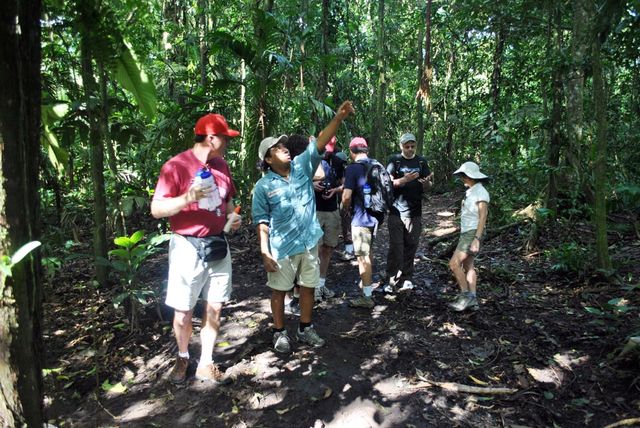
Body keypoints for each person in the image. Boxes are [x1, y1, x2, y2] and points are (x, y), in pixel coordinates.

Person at [252, 101, 354, 353]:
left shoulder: (301, 167)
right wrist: (265, 253)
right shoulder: (263, 187)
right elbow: (261, 222)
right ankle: (279, 332)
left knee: (308, 287)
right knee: (279, 291)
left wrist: (338, 118)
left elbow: (320, 142)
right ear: (267, 158)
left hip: (309, 242)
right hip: (282, 247)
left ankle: (305, 328)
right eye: (277, 148)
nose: (284, 149)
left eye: (283, 145)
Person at [151, 113, 242, 384]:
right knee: (183, 312)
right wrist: (187, 197)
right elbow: (157, 210)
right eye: (225, 138)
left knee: (214, 306)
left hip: (217, 244)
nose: (227, 143)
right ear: (211, 138)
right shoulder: (176, 166)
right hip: (187, 246)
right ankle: (182, 356)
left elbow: (227, 202)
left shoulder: (221, 165)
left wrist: (231, 218)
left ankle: (206, 362)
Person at [384, 133, 433, 292]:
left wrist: (426, 184)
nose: (410, 149)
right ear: (401, 146)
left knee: (411, 246)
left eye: (412, 146)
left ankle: (406, 277)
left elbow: (428, 184)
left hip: (415, 212)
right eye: (407, 146)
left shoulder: (421, 161)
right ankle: (390, 278)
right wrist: (403, 180)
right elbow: (386, 183)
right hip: (396, 212)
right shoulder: (394, 161)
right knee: (396, 247)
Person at [341, 137, 380, 309]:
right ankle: (367, 285)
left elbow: (346, 196)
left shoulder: (353, 169)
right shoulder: (377, 166)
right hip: (376, 217)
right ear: (367, 150)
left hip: (360, 218)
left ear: (351, 152)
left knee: (363, 258)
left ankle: (367, 297)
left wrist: (344, 209)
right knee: (368, 254)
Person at [448, 161, 490, 312]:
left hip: (472, 233)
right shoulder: (471, 191)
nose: (462, 178)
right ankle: (473, 299)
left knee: (454, 264)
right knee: (468, 265)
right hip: (467, 232)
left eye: (464, 175)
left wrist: (476, 239)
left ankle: (466, 297)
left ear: (471, 176)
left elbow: (483, 217)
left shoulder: (481, 192)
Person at [312, 136, 345, 301]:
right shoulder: (310, 160)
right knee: (315, 250)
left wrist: (336, 190)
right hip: (314, 211)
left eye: (329, 150)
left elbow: (345, 184)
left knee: (328, 249)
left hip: (332, 211)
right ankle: (313, 287)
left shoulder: (337, 162)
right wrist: (312, 185)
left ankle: (321, 284)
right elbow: (296, 181)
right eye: (324, 149)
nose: (326, 153)